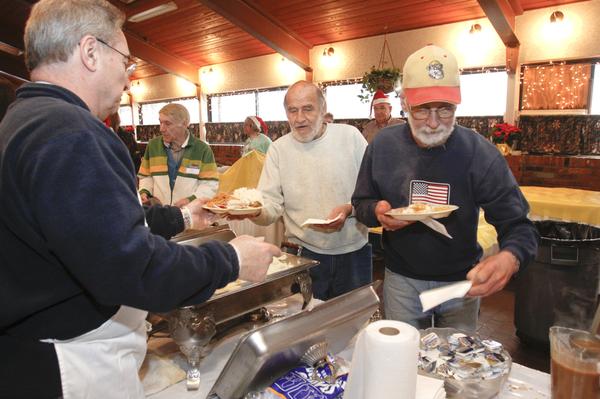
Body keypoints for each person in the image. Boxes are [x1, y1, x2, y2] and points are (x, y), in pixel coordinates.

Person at [0, 1, 280, 397]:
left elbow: (93, 228)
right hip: (72, 363)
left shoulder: (26, 119)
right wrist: (233, 259)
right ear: (90, 52)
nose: (129, 80)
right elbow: (132, 268)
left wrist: (181, 218)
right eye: (126, 62)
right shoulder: (71, 133)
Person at [352, 45, 538, 332]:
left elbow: (519, 225)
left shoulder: (479, 152)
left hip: (461, 281)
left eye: (445, 109)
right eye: (422, 109)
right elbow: (361, 203)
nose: (434, 122)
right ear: (404, 103)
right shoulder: (383, 145)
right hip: (401, 280)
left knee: (458, 366)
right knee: (401, 362)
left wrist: (510, 257)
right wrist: (376, 211)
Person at [241, 80, 372, 300]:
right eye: (292, 110)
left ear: (323, 109)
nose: (299, 118)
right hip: (302, 254)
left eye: (307, 109)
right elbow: (271, 204)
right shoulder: (279, 149)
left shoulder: (350, 137)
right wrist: (255, 211)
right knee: (305, 327)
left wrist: (351, 209)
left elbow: (372, 190)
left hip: (353, 253)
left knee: (353, 323)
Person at [138, 103, 218, 207]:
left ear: (184, 124)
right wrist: (144, 191)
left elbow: (210, 185)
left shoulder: (202, 150)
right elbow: (146, 176)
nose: (161, 129)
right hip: (160, 214)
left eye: (167, 123)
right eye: (160, 122)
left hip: (190, 214)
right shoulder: (153, 146)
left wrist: (190, 200)